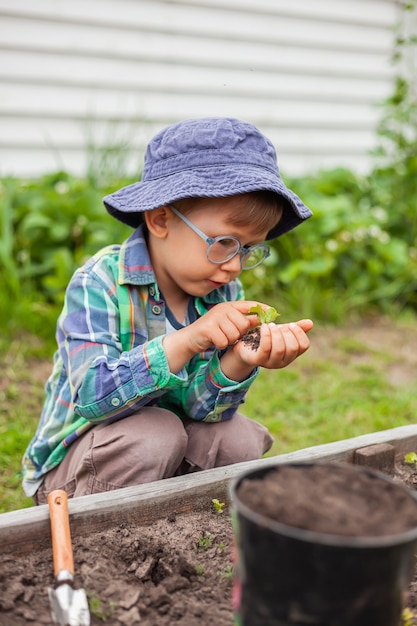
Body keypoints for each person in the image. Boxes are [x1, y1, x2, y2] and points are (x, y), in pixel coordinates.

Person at [22, 116, 314, 504]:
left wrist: (239, 361)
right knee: (154, 434)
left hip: (164, 452)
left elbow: (199, 408)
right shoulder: (101, 282)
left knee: (237, 439)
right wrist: (189, 339)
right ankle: (102, 536)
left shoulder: (222, 289)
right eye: (225, 242)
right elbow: (93, 397)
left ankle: (187, 529)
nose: (235, 265)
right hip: (76, 472)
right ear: (160, 219)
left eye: (250, 249)